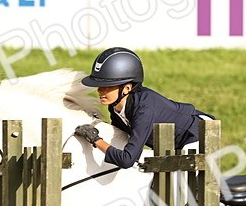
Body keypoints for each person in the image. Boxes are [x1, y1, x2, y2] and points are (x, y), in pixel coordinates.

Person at [74, 47, 211, 169]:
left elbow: (127, 160)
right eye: (99, 86)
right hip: (171, 144)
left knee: (184, 192)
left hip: (198, 134)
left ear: (127, 88)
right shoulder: (115, 107)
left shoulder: (143, 110)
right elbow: (122, 141)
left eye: (107, 86)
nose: (100, 91)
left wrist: (95, 140)